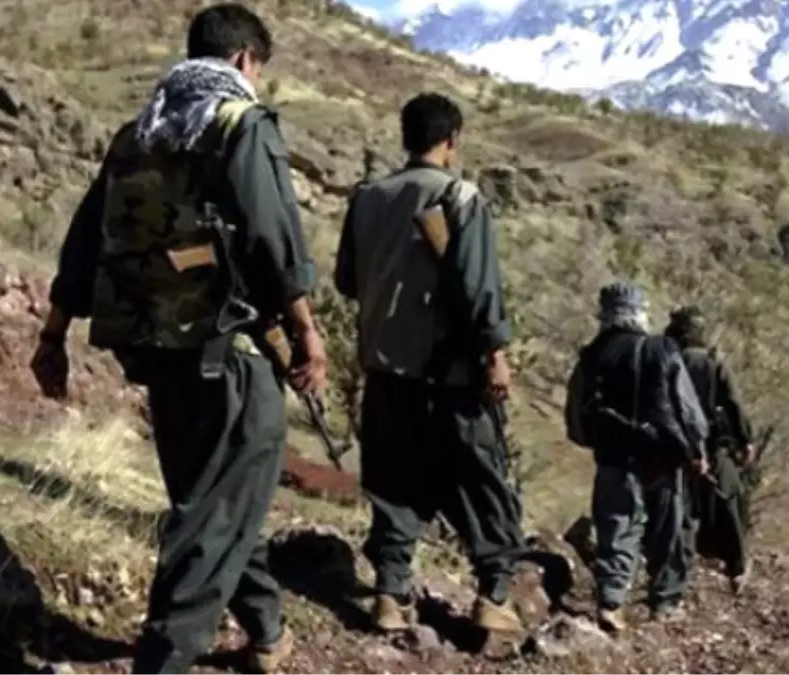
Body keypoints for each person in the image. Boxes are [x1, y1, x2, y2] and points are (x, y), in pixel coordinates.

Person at [28, 4, 326, 673]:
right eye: (260, 70)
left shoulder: (138, 133)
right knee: (221, 503)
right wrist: (307, 330)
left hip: (156, 351)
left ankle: (266, 633)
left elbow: (84, 241)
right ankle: (163, 658)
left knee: (213, 495)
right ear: (246, 60)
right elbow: (273, 237)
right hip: (233, 352)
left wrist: (53, 335)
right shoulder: (240, 124)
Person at [333, 92, 525, 634]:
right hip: (451, 376)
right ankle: (493, 598)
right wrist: (495, 355)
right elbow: (479, 289)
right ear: (452, 139)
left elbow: (347, 281)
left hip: (386, 371)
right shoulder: (461, 197)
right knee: (480, 480)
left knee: (393, 485)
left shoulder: (367, 197)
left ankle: (390, 597)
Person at [564, 282, 710, 632]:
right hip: (661, 456)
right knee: (666, 529)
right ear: (640, 313)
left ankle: (611, 601)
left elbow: (575, 415)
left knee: (616, 525)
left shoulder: (592, 355)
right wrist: (696, 449)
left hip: (613, 456)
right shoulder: (660, 348)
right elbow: (686, 408)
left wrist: (591, 440)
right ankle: (664, 602)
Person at [664, 305, 755, 594]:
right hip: (712, 447)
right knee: (729, 502)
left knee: (681, 510)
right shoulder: (712, 364)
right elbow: (733, 404)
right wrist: (745, 439)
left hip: (673, 445)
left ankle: (678, 574)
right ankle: (737, 568)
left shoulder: (666, 360)